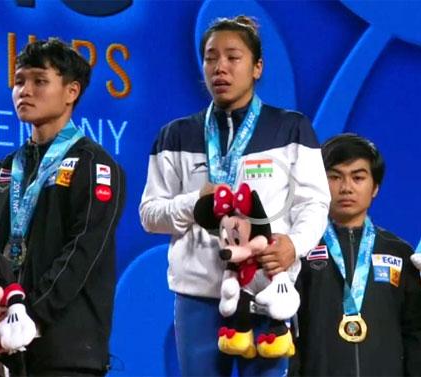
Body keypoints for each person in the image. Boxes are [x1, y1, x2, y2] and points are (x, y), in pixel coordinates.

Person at [139, 15, 330, 377]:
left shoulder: (291, 128)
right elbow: (149, 214)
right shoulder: (175, 135)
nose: (220, 68)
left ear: (257, 67)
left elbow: (314, 202)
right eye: (211, 58)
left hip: (266, 291)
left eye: (233, 57)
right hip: (197, 297)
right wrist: (195, 204)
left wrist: (294, 244)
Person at [0, 38, 126, 376]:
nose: (25, 90)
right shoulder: (1, 172)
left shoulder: (95, 167)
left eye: (39, 81)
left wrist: (27, 314)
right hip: (0, 347)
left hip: (64, 351)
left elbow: (81, 253)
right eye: (19, 81)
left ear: (71, 92)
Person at [291, 134, 421, 376]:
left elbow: (419, 332)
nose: (346, 188)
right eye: (335, 177)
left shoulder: (398, 252)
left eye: (358, 177)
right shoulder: (300, 249)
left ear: (375, 188)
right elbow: (288, 329)